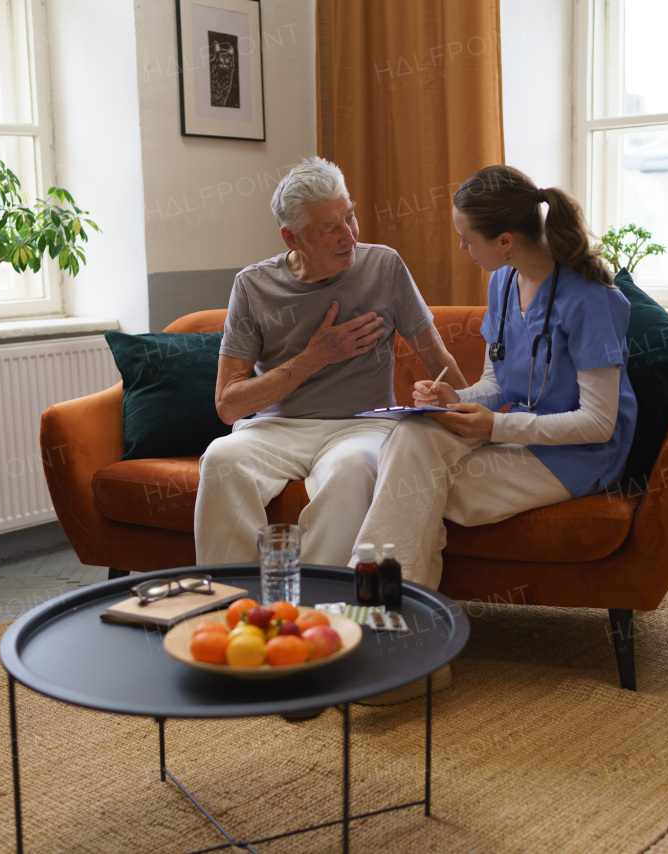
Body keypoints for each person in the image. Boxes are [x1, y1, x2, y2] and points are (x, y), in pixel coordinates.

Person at [351, 164, 637, 592]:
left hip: (577, 455)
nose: (462, 246)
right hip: (517, 430)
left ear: (506, 241)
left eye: (467, 238)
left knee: (411, 492)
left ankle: (383, 609)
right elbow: (497, 384)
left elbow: (599, 422)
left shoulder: (593, 301)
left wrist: (496, 425)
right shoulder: (502, 283)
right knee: (412, 435)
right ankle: (401, 621)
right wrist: (453, 397)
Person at [193, 156, 465, 569]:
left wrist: (468, 416)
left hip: (364, 425)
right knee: (220, 459)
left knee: (352, 469)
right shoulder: (252, 286)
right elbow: (229, 405)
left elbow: (437, 358)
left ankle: (318, 616)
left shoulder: (384, 266)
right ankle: (234, 608)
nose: (349, 235)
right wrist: (314, 358)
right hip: (276, 428)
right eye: (329, 228)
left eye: (350, 217)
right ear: (292, 238)